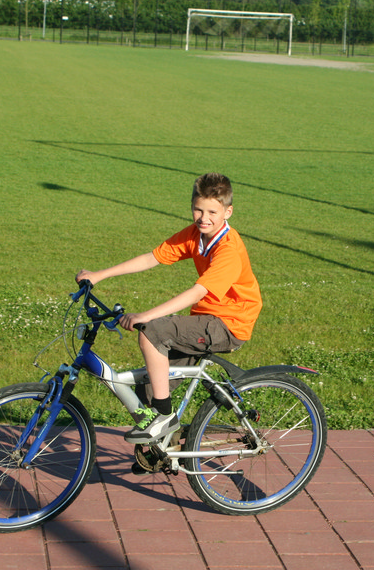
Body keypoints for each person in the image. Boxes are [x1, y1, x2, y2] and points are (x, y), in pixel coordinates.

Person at [76, 172, 262, 445]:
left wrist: (146, 316)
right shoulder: (195, 235)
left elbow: (198, 292)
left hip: (229, 324)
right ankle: (164, 451)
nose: (203, 218)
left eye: (212, 212)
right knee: (147, 393)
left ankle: (165, 417)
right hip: (205, 318)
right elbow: (152, 258)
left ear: (228, 212)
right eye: (198, 210)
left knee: (153, 332)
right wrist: (99, 275)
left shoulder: (228, 250)